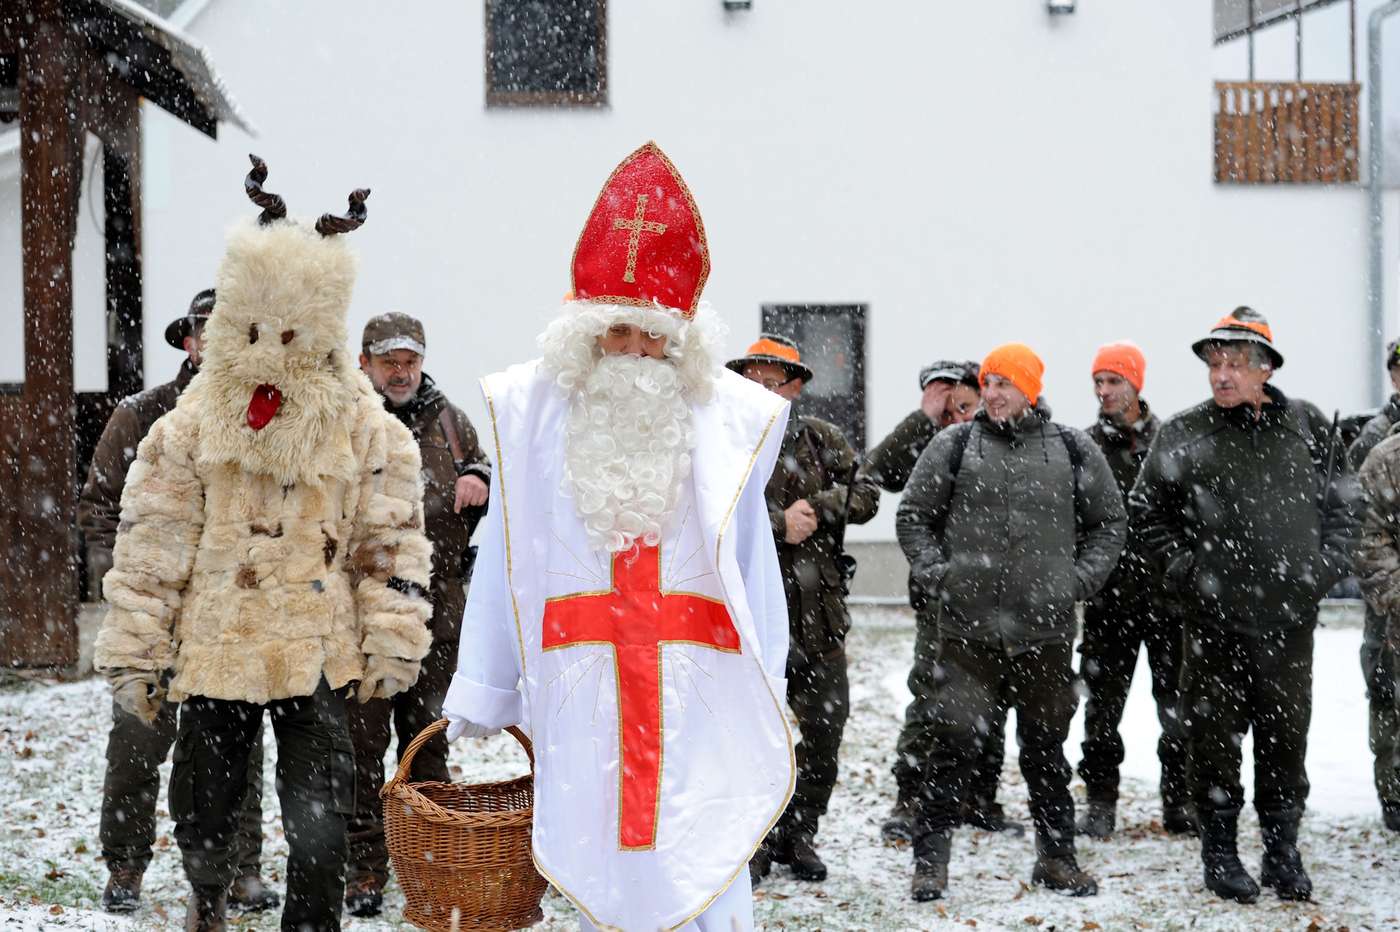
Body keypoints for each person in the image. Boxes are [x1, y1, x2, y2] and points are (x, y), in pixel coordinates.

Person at [442, 142, 793, 931]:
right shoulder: (535, 423)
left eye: (652, 336)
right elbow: (508, 555)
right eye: (617, 332)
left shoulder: (727, 425)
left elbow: (751, 561)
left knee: (700, 846)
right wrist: (487, 681)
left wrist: (768, 674)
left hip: (698, 685)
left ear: (681, 341)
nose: (634, 351)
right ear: (587, 335)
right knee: (602, 846)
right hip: (586, 685)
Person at [93, 157, 434, 931]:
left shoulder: (363, 424)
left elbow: (388, 539)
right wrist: (139, 649)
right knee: (205, 807)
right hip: (218, 644)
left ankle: (310, 924)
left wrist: (392, 635)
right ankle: (209, 902)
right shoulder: (191, 422)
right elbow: (153, 543)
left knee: (320, 818)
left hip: (316, 650)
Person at [1132, 307, 1357, 903]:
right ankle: (1221, 851)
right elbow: (1146, 512)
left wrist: (1322, 569)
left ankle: (1282, 851)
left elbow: (1344, 505)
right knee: (1213, 742)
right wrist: (1187, 570)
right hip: (1213, 623)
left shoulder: (1308, 425)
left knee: (1285, 740)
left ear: (1266, 369)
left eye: (1234, 363)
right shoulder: (1183, 433)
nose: (1221, 375)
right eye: (1214, 363)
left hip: (1288, 623)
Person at [896, 342, 1125, 902]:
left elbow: (1109, 522)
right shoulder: (955, 445)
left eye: (1004, 383)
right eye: (988, 383)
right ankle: (930, 863)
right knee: (951, 748)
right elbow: (913, 516)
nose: (992, 394)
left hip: (1044, 634)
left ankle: (1057, 859)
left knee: (1046, 751)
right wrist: (941, 575)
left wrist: (1076, 582)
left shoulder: (1071, 448)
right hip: (968, 633)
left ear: (1030, 389)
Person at [79, 289, 277, 915]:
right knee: (137, 739)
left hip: (228, 615)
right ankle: (126, 865)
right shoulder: (142, 414)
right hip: (157, 615)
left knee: (235, 747)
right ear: (189, 342)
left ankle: (240, 868)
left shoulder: (264, 417)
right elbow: (97, 507)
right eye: (206, 331)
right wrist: (138, 574)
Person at [343, 312, 493, 916]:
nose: (401, 373)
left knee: (428, 745)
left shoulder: (452, 422)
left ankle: (432, 862)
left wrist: (480, 478)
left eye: (410, 361)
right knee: (361, 748)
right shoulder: (347, 421)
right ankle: (363, 870)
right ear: (365, 364)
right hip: (365, 619)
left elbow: (489, 483)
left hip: (437, 618)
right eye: (389, 362)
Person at [727, 334, 879, 885]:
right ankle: (756, 841)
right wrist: (777, 523)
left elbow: (867, 494)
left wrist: (816, 506)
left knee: (825, 732)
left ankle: (800, 832)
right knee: (752, 738)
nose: (764, 392)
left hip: (819, 620)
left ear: (794, 388)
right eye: (755, 382)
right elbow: (711, 516)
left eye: (775, 382)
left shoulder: (821, 439)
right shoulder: (724, 441)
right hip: (749, 624)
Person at [867, 361, 1023, 843]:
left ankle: (979, 797)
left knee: (993, 697)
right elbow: (877, 472)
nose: (958, 416)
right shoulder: (931, 445)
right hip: (942, 596)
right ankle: (911, 796)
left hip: (996, 596)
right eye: (948, 408)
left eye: (966, 404)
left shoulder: (1001, 439)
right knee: (930, 695)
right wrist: (923, 418)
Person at [1074, 342, 1192, 840]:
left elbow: (1189, 515)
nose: (1104, 391)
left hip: (1168, 602)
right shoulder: (1084, 447)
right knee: (1101, 710)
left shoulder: (1170, 442)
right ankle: (1100, 801)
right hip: (1108, 602)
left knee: (1179, 707)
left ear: (1136, 384)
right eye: (1098, 381)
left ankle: (1181, 800)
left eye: (1113, 381)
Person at [1348, 338, 1400, 832]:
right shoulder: (1376, 441)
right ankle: (1395, 793)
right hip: (1387, 605)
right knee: (1386, 693)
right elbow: (1362, 524)